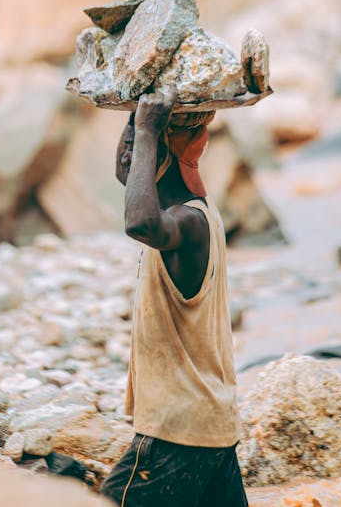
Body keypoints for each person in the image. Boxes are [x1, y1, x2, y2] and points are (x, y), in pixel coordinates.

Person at [99, 86, 248, 507]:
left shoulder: (187, 223)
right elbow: (129, 179)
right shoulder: (190, 212)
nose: (129, 155)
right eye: (129, 144)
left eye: (141, 147)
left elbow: (139, 223)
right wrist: (138, 122)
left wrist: (146, 131)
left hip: (176, 433)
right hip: (211, 426)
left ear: (164, 153)